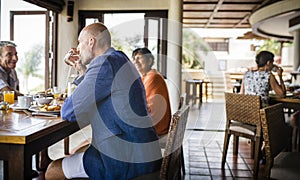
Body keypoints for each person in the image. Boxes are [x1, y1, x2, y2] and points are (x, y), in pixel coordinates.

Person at [45, 22, 162, 179]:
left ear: (91, 42)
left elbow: (69, 112)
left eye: (80, 42)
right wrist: (80, 69)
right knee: (79, 149)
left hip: (125, 158)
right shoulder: (119, 58)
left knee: (52, 170)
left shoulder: (104, 63)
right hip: (141, 151)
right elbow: (99, 87)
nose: (77, 48)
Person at [132, 47, 171, 137]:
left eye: (139, 58)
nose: (135, 61)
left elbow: (146, 106)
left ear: (149, 60)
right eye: (134, 59)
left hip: (155, 127)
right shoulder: (146, 76)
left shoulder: (153, 77)